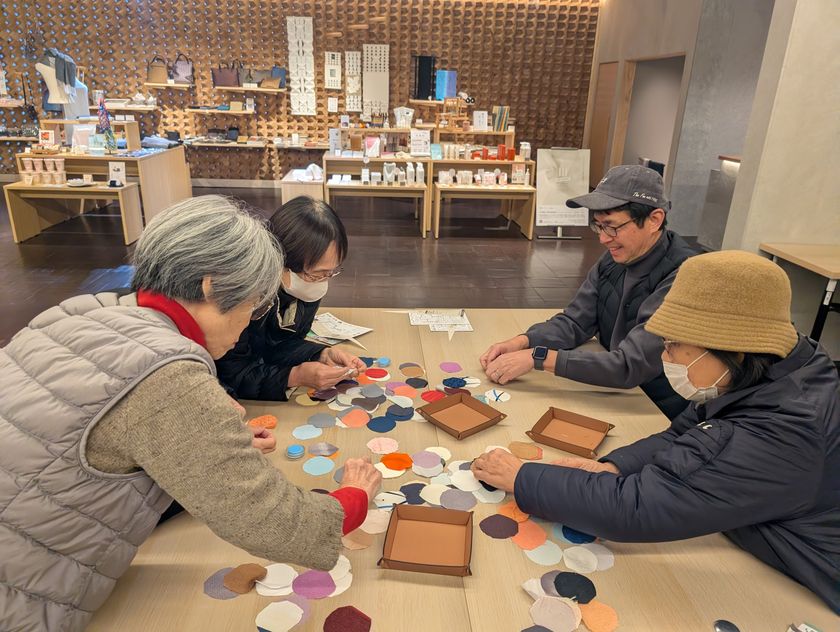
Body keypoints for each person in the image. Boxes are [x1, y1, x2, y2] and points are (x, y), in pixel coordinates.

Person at [0, 196, 382, 631]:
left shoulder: (83, 312)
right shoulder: (168, 375)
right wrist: (355, 496)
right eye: (253, 304)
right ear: (210, 286)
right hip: (24, 600)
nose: (250, 321)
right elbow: (274, 522)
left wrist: (204, 444)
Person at [472, 251, 840, 613]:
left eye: (675, 345)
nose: (665, 357)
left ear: (736, 350)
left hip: (806, 576)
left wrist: (523, 477)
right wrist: (614, 467)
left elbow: (634, 509)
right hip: (753, 528)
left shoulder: (784, 430)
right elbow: (685, 434)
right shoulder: (769, 368)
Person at [479, 165, 696, 419]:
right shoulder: (615, 258)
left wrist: (538, 357)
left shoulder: (684, 276)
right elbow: (575, 321)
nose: (603, 239)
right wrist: (521, 342)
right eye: (598, 226)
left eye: (612, 227)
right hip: (612, 389)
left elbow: (629, 365)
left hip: (656, 408)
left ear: (654, 220)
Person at [217, 196, 366, 400]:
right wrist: (294, 376)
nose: (322, 282)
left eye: (331, 272)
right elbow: (233, 375)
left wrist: (320, 354)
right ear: (280, 261)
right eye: (317, 274)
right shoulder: (245, 296)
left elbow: (282, 344)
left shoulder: (304, 288)